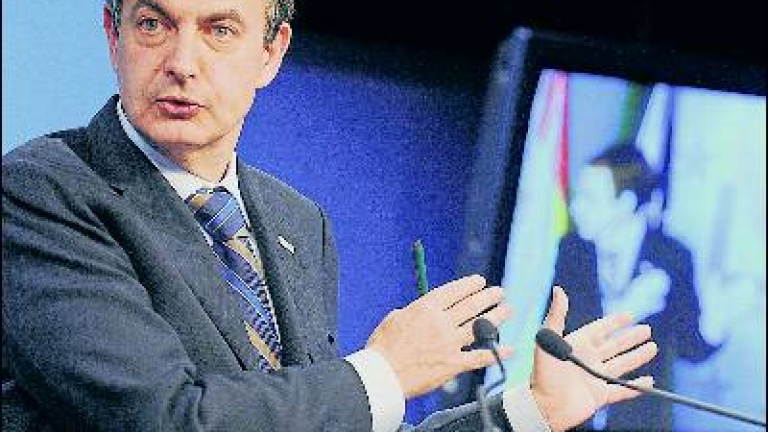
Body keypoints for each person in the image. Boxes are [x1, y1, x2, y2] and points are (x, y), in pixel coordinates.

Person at [2, 1, 657, 430]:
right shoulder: (44, 191)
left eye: (219, 30)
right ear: (113, 36)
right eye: (154, 25)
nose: (180, 62)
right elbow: (165, 419)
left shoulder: (294, 221)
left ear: (271, 52)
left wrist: (530, 412)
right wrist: (384, 372)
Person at [554, 143, 718, 430]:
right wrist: (628, 309)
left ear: (626, 203)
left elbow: (691, 347)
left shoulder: (671, 257)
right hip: (572, 418)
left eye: (590, 199)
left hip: (641, 422)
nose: (575, 208)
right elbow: (561, 346)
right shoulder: (572, 251)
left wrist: (723, 312)